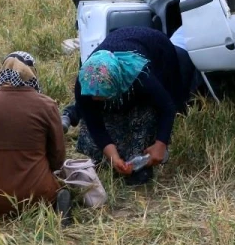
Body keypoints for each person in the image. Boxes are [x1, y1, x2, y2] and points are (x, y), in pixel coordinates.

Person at [74, 26, 197, 185]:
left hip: (157, 48)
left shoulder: (141, 76)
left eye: (104, 96)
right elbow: (94, 122)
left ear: (116, 83)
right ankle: (116, 155)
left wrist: (161, 143)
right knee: (106, 115)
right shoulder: (84, 84)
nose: (97, 99)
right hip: (122, 48)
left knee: (145, 113)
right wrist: (114, 158)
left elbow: (166, 107)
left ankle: (142, 155)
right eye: (94, 96)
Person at [0, 52, 72, 222]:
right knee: (58, 187)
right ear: (32, 73)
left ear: (3, 72)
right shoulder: (47, 105)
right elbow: (58, 156)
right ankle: (57, 209)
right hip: (36, 197)